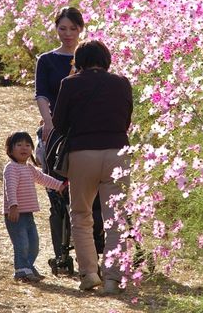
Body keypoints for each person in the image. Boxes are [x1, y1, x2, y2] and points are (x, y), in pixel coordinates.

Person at [52, 40, 133, 295]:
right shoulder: (122, 82)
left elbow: (59, 123)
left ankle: (89, 273)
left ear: (79, 61)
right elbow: (127, 118)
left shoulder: (70, 84)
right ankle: (113, 278)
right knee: (116, 217)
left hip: (83, 154)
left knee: (81, 214)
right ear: (106, 59)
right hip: (117, 152)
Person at [35, 7, 105, 270]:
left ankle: (95, 245)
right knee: (58, 189)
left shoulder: (90, 57)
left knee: (93, 194)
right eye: (62, 28)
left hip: (86, 130)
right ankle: (61, 251)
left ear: (81, 30)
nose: (67, 34)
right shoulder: (47, 60)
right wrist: (50, 124)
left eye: (72, 29)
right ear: (56, 28)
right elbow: (42, 94)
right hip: (56, 129)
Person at [3, 131, 66, 282]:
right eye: (19, 145)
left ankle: (28, 266)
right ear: (10, 150)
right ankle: (21, 271)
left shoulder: (29, 168)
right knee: (22, 243)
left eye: (27, 145)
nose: (24, 148)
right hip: (15, 213)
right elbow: (10, 188)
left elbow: (43, 178)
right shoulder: (11, 168)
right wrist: (13, 206)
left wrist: (59, 185)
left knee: (33, 244)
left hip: (28, 213)